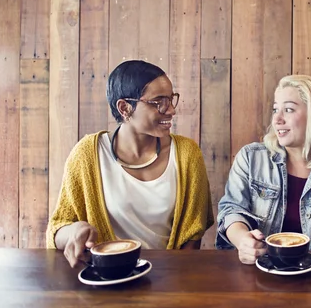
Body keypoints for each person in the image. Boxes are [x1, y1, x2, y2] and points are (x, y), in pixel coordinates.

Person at [46, 60, 214, 267]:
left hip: (171, 277)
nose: (171, 110)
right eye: (158, 102)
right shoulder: (87, 155)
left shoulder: (187, 154)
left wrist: (175, 282)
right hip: (106, 277)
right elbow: (57, 229)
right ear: (125, 107)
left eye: (171, 100)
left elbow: (193, 233)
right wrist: (74, 230)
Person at [216, 75, 311, 269]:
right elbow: (230, 210)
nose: (277, 119)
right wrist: (242, 239)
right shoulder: (251, 158)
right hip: (254, 270)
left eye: (289, 109)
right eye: (275, 109)